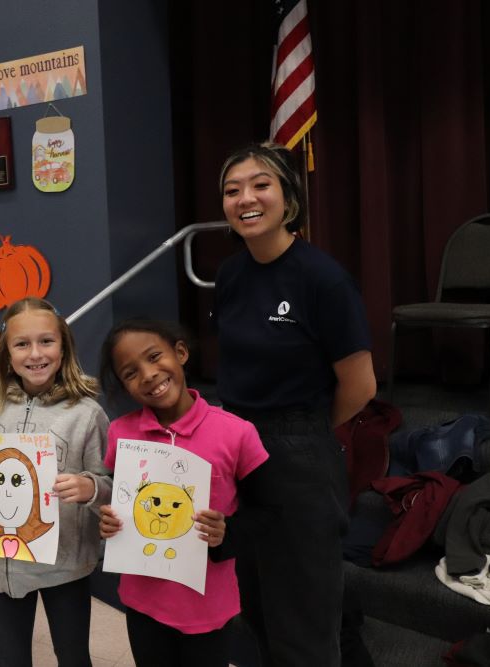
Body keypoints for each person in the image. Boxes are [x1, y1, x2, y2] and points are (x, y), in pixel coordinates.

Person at [214, 142, 377, 666]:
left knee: (303, 622)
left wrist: (302, 429)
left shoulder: (322, 278)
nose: (246, 198)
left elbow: (361, 384)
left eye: (260, 185)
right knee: (256, 606)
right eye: (232, 190)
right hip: (237, 449)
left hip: (299, 451)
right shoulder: (230, 276)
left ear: (288, 197)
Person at [97, 319, 270, 667]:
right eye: (131, 373)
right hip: (141, 600)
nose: (147, 375)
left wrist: (227, 533)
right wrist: (109, 522)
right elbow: (122, 501)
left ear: (180, 352)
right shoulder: (120, 434)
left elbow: (266, 513)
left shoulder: (237, 433)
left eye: (154, 356)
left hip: (207, 605)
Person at [0, 297, 112, 667]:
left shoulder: (87, 413)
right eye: (22, 344)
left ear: (64, 347)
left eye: (46, 342)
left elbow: (108, 483)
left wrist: (89, 487)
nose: (35, 353)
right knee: (10, 657)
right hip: (8, 562)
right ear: (7, 353)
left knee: (72, 656)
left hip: (66, 563)